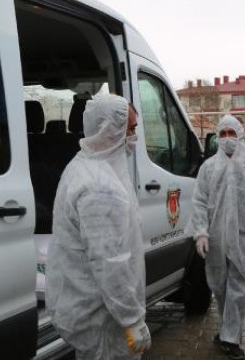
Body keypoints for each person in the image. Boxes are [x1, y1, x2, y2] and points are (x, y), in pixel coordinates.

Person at [46, 94, 150, 360]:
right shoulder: (100, 187)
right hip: (103, 318)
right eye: (131, 129)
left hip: (92, 309)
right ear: (111, 129)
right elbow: (111, 264)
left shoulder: (84, 166)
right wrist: (132, 319)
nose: (134, 137)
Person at [187, 115, 245, 360]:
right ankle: (227, 329)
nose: (226, 139)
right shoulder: (208, 167)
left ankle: (231, 338)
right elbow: (199, 201)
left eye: (231, 133)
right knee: (220, 287)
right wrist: (201, 232)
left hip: (244, 238)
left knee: (239, 288)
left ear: (240, 135)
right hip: (215, 240)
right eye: (222, 134)